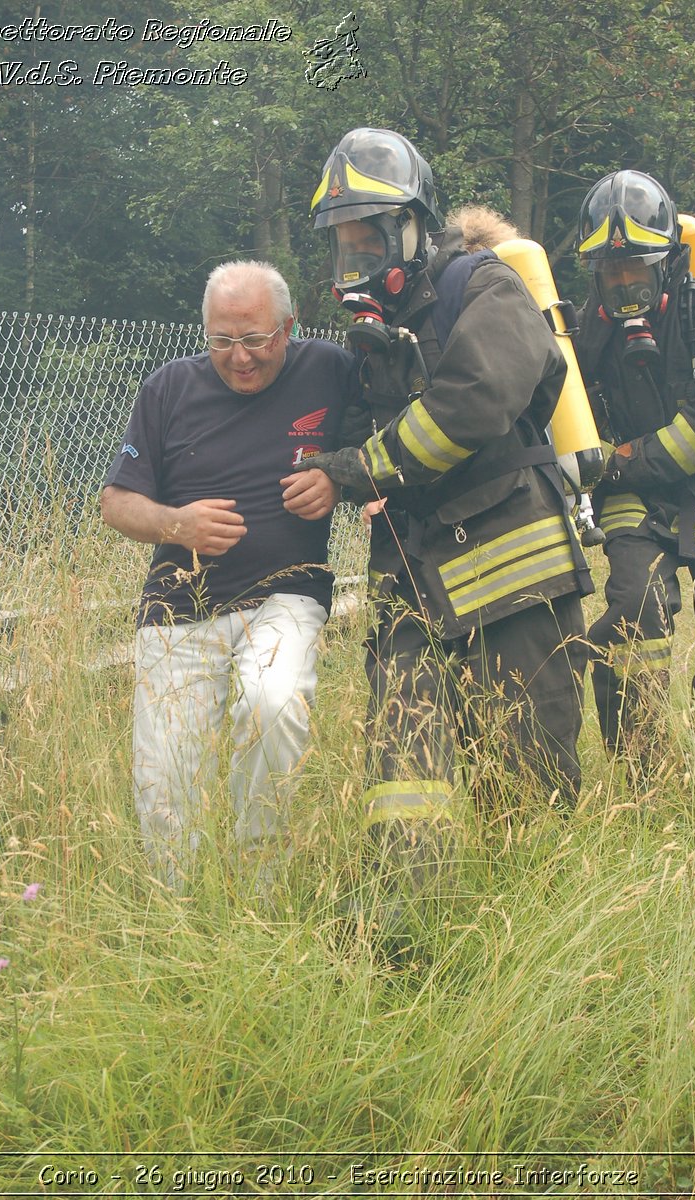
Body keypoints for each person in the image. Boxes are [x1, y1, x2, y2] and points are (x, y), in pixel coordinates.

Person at [299, 128, 593, 897]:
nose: (354, 259)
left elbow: (474, 401)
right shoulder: (371, 341)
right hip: (412, 580)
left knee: (527, 773)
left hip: (512, 574)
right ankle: (405, 933)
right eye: (343, 245)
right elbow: (362, 432)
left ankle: (540, 939)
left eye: (368, 239)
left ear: (411, 228)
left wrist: (361, 469)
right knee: (402, 778)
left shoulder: (486, 286)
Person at [101, 260, 361, 888]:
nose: (240, 357)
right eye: (222, 340)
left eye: (255, 339)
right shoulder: (168, 389)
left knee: (274, 702)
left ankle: (258, 888)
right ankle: (178, 916)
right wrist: (176, 525)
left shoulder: (331, 369)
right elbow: (115, 502)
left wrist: (336, 478)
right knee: (167, 782)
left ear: (288, 328)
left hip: (286, 594)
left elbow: (373, 450)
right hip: (176, 611)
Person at [574, 170, 695, 774]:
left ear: (667, 262)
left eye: (636, 269)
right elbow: (574, 419)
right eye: (612, 274)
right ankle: (643, 773)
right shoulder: (587, 331)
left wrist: (618, 460)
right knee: (634, 609)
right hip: (635, 500)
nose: (624, 285)